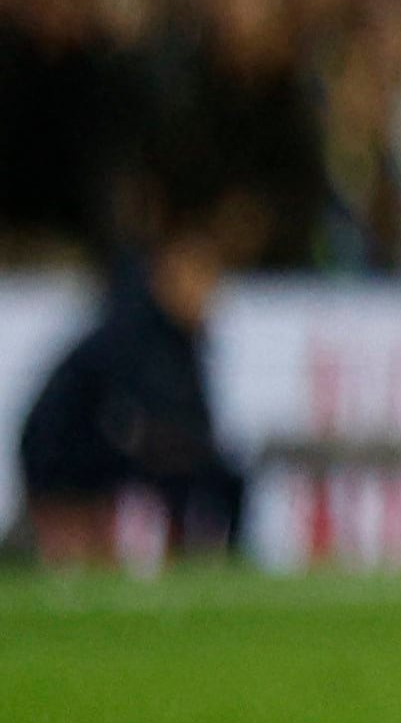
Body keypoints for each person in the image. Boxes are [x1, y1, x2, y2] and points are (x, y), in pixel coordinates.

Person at [16, 210, 246, 566]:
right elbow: (133, 416)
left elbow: (189, 416)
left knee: (217, 477)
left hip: (108, 451)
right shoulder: (133, 331)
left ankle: (206, 559)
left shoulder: (181, 338)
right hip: (66, 449)